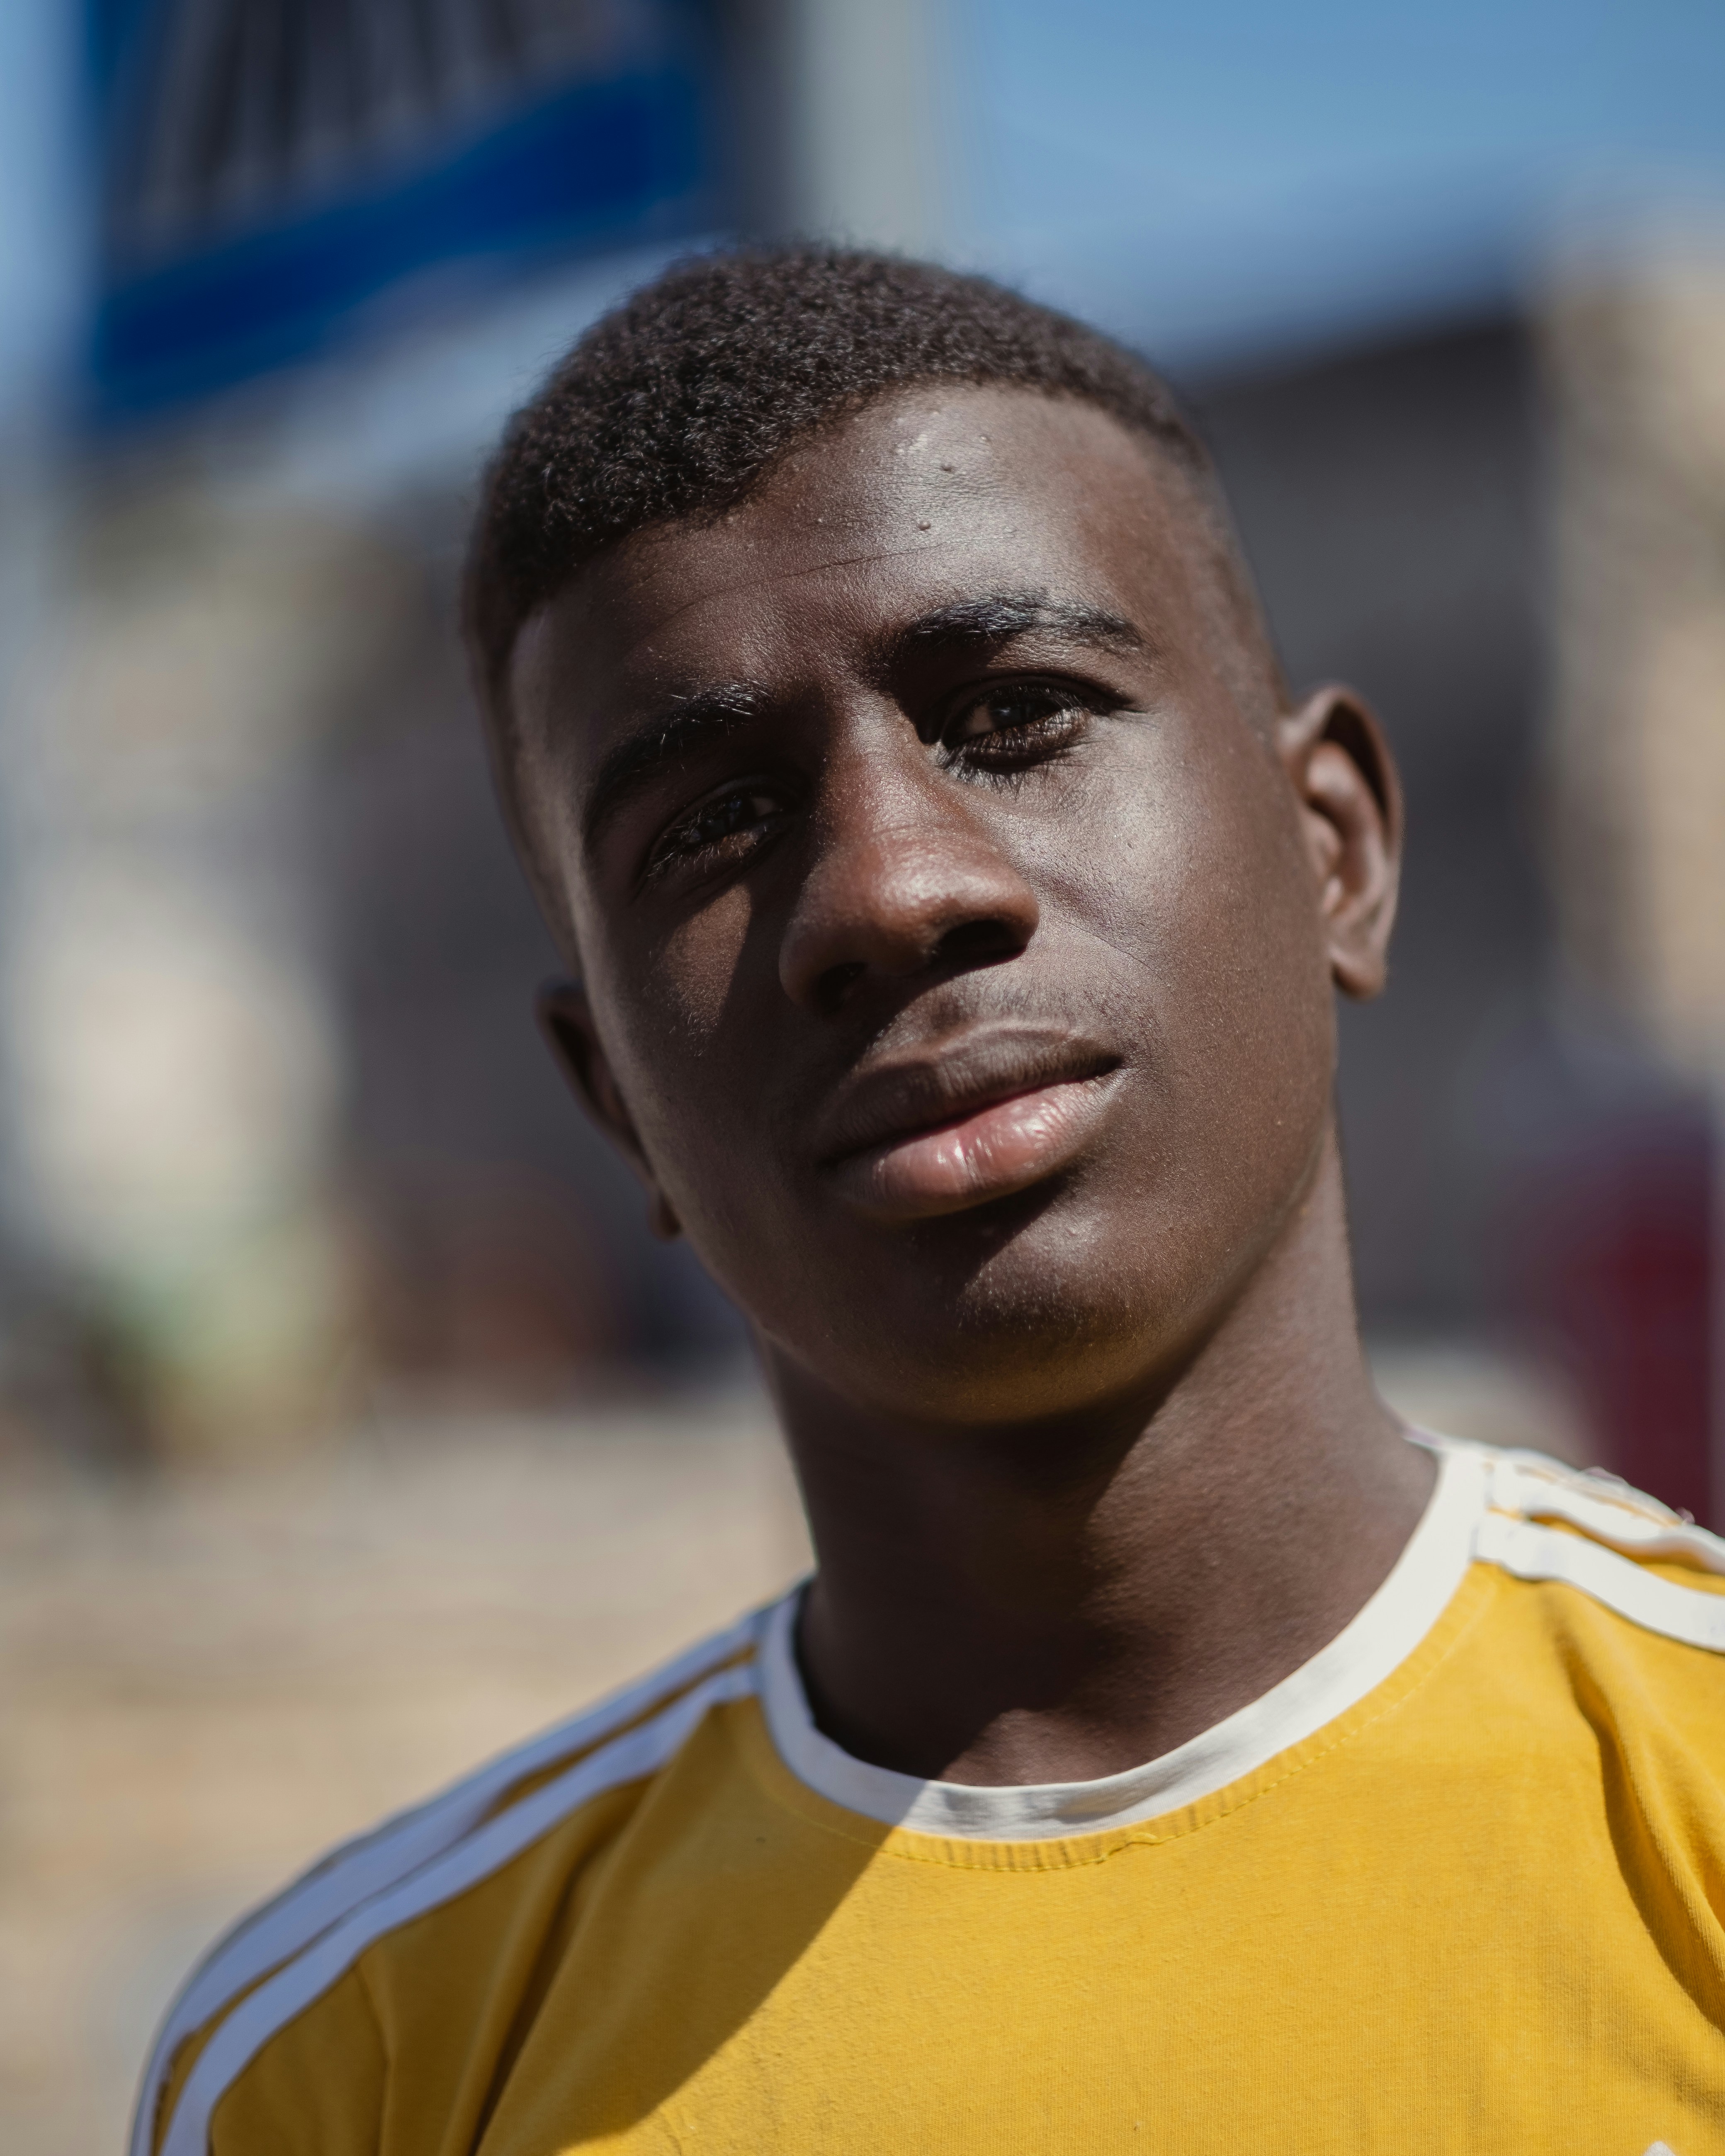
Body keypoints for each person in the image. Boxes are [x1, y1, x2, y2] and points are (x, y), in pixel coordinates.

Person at [136, 248, 1725, 2156]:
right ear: (611, 1101)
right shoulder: (362, 2062)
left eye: (1017, 709)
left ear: (1336, 855)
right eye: (710, 823)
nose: (888, 889)